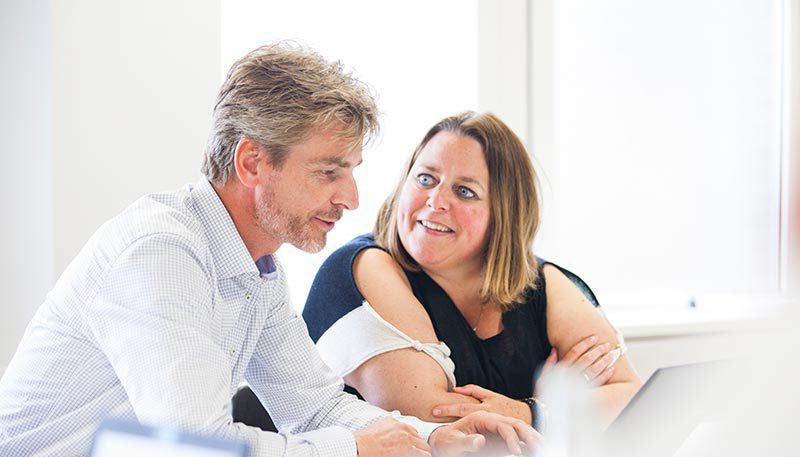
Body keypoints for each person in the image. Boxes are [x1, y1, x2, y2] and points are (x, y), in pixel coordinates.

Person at [0, 45, 538, 457]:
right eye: (329, 172)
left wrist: (433, 437)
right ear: (252, 162)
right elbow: (196, 446)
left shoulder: (259, 270)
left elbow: (314, 408)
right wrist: (352, 448)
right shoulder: (161, 253)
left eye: (350, 173)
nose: (350, 199)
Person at [302, 111, 642, 430]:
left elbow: (632, 397)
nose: (436, 200)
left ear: (504, 214)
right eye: (425, 178)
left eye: (464, 191)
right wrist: (556, 407)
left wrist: (527, 411)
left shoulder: (542, 283)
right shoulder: (365, 268)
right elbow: (447, 430)